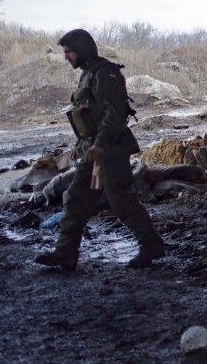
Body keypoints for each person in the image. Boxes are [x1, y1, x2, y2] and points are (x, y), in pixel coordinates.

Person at [35, 29, 164, 270]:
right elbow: (88, 115)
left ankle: (151, 245)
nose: (67, 57)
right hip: (92, 150)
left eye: (69, 52)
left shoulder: (106, 73)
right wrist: (82, 147)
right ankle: (65, 254)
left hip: (110, 150)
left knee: (121, 201)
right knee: (75, 199)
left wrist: (99, 146)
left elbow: (113, 115)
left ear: (82, 50)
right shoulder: (88, 74)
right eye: (65, 52)